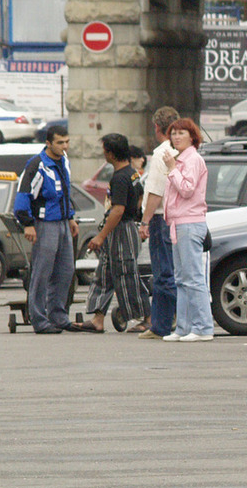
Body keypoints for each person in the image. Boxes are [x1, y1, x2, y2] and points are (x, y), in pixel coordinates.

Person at [13, 125, 81, 334]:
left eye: (66, 142)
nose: (64, 146)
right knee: (42, 271)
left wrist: (70, 217)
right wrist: (27, 224)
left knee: (65, 270)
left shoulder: (64, 162)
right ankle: (39, 318)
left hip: (62, 222)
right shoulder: (38, 165)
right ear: (49, 143)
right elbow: (23, 195)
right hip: (44, 224)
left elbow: (65, 192)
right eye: (60, 142)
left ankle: (58, 315)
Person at [81, 134, 150, 333]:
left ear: (111, 153)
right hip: (124, 227)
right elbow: (139, 199)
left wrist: (101, 236)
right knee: (105, 272)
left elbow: (118, 210)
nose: (103, 154)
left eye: (105, 150)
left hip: (121, 230)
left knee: (127, 274)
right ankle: (97, 319)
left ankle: (148, 317)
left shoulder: (120, 178)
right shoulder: (133, 173)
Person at [161, 118, 214, 342]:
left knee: (193, 277)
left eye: (182, 133)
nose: (176, 137)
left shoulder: (192, 159)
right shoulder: (181, 159)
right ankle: (183, 327)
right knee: (181, 278)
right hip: (178, 222)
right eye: (173, 133)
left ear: (192, 136)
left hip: (190, 222)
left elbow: (187, 189)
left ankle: (203, 327)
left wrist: (172, 169)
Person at [137, 106, 180, 339]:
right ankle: (178, 320)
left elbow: (155, 192)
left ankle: (161, 324)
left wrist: (144, 222)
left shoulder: (161, 153)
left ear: (157, 127)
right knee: (177, 271)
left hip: (161, 218)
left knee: (163, 272)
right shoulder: (183, 150)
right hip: (178, 218)